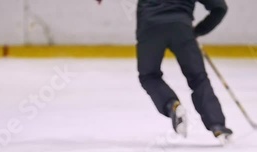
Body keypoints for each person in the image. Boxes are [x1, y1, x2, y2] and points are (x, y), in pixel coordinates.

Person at [97, 0, 233, 141]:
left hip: (150, 27)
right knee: (198, 78)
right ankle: (217, 125)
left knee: (148, 75)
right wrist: (198, 31)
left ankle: (171, 105)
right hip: (181, 28)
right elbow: (220, 8)